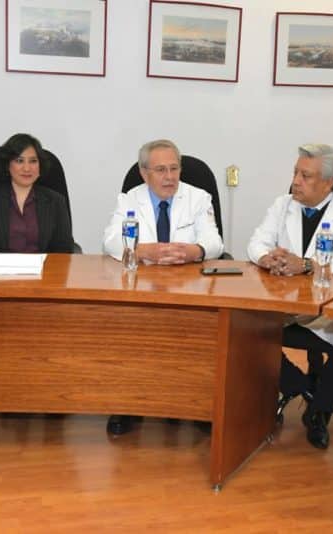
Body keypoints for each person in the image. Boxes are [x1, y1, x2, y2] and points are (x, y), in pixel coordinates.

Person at [247, 143, 333, 449]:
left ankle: (319, 411)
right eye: (295, 173)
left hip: (331, 309)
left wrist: (306, 265)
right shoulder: (282, 206)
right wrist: (266, 258)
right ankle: (302, 388)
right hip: (288, 307)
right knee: (244, 330)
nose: (295, 181)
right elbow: (256, 242)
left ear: (328, 183)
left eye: (305, 176)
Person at [102, 139, 224, 436]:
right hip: (143, 285)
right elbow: (110, 241)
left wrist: (194, 251)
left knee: (197, 337)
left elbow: (215, 242)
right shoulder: (129, 199)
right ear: (144, 173)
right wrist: (141, 250)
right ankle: (129, 405)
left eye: (174, 169)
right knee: (132, 334)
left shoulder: (198, 198)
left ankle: (196, 404)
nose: (169, 177)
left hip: (187, 286)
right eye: (161, 170)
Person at [0, 133, 76, 430]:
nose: (27, 168)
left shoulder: (54, 201)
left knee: (46, 332)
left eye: (33, 161)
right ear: (8, 165)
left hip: (42, 286)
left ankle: (48, 395)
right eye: (19, 160)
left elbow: (64, 249)